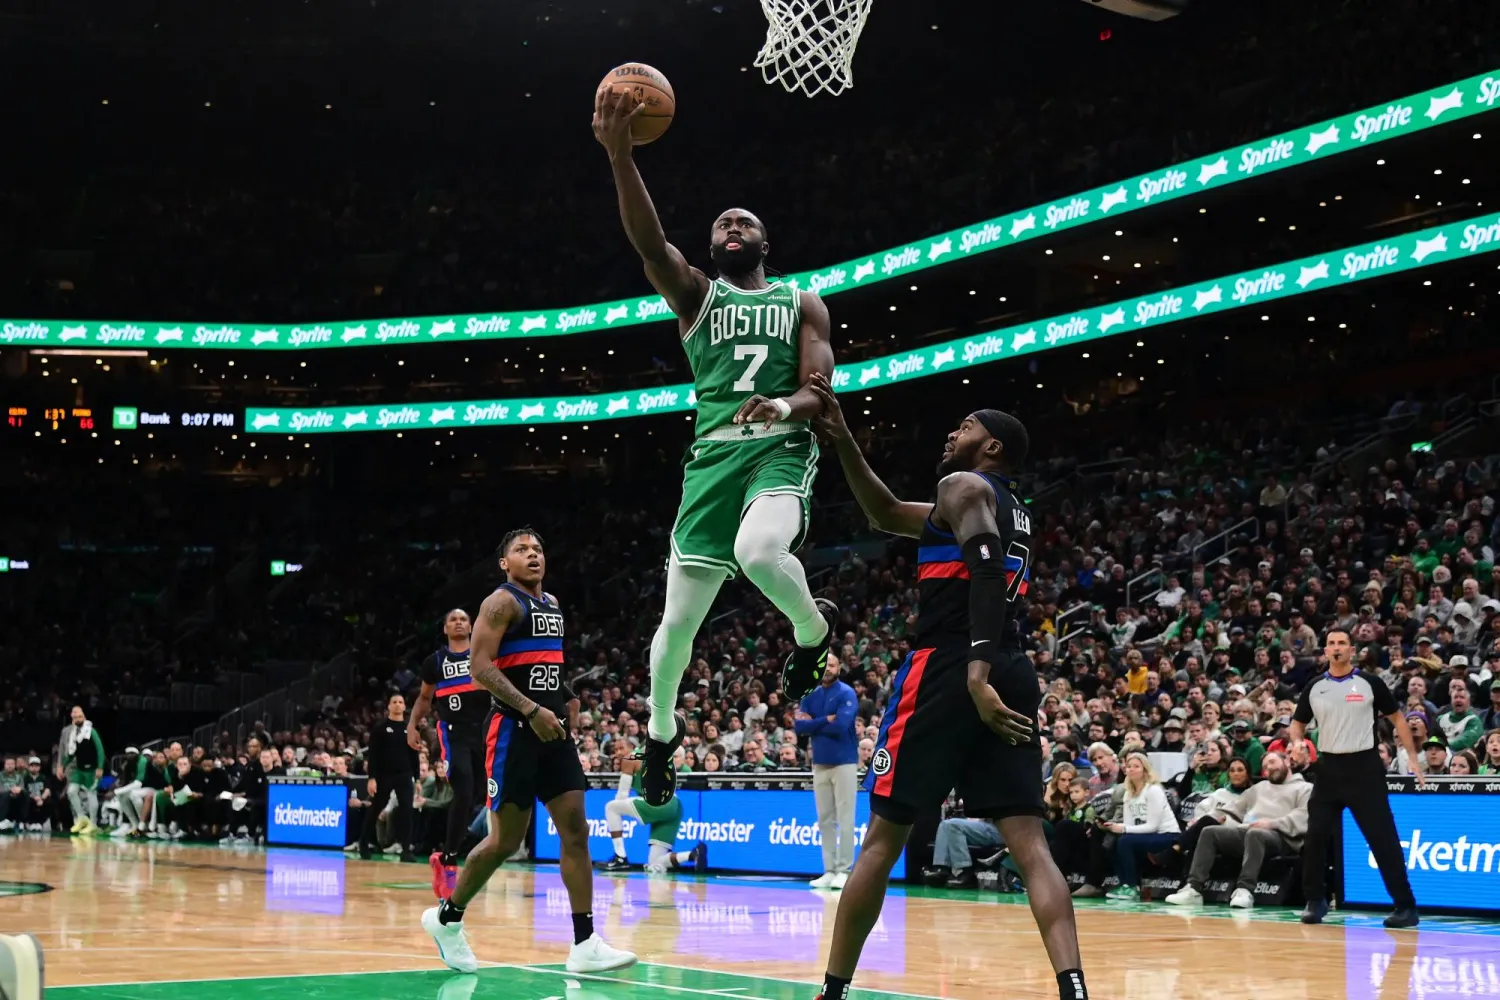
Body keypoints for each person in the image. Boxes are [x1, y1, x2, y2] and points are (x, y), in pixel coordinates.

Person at [594, 87, 839, 809]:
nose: (733, 226)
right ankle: (661, 741)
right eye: (723, 223)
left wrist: (784, 404)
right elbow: (647, 244)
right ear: (709, 248)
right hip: (711, 462)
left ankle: (812, 630)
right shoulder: (697, 296)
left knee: (763, 552)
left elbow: (820, 388)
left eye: (746, 221)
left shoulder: (802, 301)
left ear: (766, 243)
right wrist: (620, 157)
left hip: (779, 448)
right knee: (675, 630)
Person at [806, 377, 1088, 1000]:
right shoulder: (1014, 507)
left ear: (990, 447)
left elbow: (984, 566)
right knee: (1030, 844)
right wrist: (843, 439)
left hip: (952, 665)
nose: (952, 433)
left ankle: (832, 992)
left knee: (883, 837)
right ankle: (1075, 990)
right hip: (1012, 663)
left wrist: (976, 671)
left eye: (964, 426)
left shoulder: (961, 485)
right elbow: (882, 513)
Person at [422, 529, 635, 975]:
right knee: (505, 841)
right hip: (513, 732)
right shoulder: (500, 603)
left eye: (537, 549)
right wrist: (531, 708)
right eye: (522, 550)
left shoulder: (553, 605)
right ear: (505, 563)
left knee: (575, 829)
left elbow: (545, 662)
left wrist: (568, 695)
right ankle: (447, 918)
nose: (532, 555)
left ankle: (584, 942)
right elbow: (480, 668)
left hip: (552, 730)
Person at [1292, 630, 1423, 928]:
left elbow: (1399, 719)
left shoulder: (1369, 683)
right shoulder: (1314, 687)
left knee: (1383, 839)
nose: (1337, 648)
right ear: (1325, 651)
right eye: (1332, 644)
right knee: (1314, 837)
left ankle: (1405, 906)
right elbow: (1297, 723)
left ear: (1351, 650)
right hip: (1328, 769)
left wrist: (1413, 758)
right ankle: (1315, 900)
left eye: (1342, 644)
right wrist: (1297, 742)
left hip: (1364, 768)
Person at [407, 607, 491, 899]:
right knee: (464, 791)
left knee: (483, 793)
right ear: (445, 629)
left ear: (471, 626)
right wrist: (411, 726)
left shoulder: (484, 654)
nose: (458, 622)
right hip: (453, 734)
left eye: (463, 619)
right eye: (452, 619)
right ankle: (449, 859)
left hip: (485, 731)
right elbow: (425, 698)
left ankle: (458, 851)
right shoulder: (436, 661)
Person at [1164, 751, 1311, 909]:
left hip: (1282, 838)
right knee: (1209, 832)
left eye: (1272, 762)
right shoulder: (1258, 788)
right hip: (1249, 831)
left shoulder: (1305, 788)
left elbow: (1302, 817)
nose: (1269, 767)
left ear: (1287, 762)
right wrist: (1204, 818)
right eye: (1265, 766)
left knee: (1256, 834)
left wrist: (1271, 823)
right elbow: (1232, 808)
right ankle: (1193, 888)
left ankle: (1244, 890)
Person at [796, 656, 860, 889]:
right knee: (824, 820)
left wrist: (815, 722)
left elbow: (842, 725)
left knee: (845, 818)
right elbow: (799, 726)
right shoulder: (810, 693)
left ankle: (844, 869)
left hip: (844, 762)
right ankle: (829, 870)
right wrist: (826, 719)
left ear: (839, 668)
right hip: (820, 763)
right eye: (825, 666)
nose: (828, 670)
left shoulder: (846, 693)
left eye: (832, 665)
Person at [597, 755, 706, 874]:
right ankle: (692, 854)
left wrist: (617, 819)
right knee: (654, 864)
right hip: (674, 806)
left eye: (619, 748)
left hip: (660, 802)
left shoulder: (629, 760)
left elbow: (621, 797)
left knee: (611, 807)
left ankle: (620, 857)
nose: (616, 753)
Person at [1105, 752, 1181, 902]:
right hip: (1146, 834)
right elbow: (1129, 824)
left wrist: (1124, 829)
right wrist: (1116, 826)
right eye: (1128, 767)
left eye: (1136, 766)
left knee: (1125, 841)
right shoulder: (1129, 793)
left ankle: (1132, 886)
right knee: (1112, 839)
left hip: (1167, 835)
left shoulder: (1153, 791)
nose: (1131, 769)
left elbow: (1153, 826)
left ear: (1145, 770)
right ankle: (1125, 884)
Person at [361, 693, 417, 862]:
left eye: (401, 702)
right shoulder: (380, 728)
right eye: (394, 702)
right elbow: (373, 755)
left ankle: (406, 849)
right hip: (384, 775)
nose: (398, 705)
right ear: (389, 706)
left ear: (405, 706)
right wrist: (372, 778)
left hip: (405, 775)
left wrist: (417, 778)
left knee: (407, 810)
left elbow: (414, 754)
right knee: (376, 808)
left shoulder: (410, 728)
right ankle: (363, 843)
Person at [57, 706, 104, 835]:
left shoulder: (91, 732)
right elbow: (72, 753)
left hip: (92, 769)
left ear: (84, 717)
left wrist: (100, 767)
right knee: (71, 791)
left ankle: (93, 823)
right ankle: (82, 818)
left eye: (80, 717)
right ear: (72, 719)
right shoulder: (74, 734)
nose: (78, 719)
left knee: (91, 794)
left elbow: (100, 750)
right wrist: (62, 765)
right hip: (79, 768)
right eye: (75, 717)